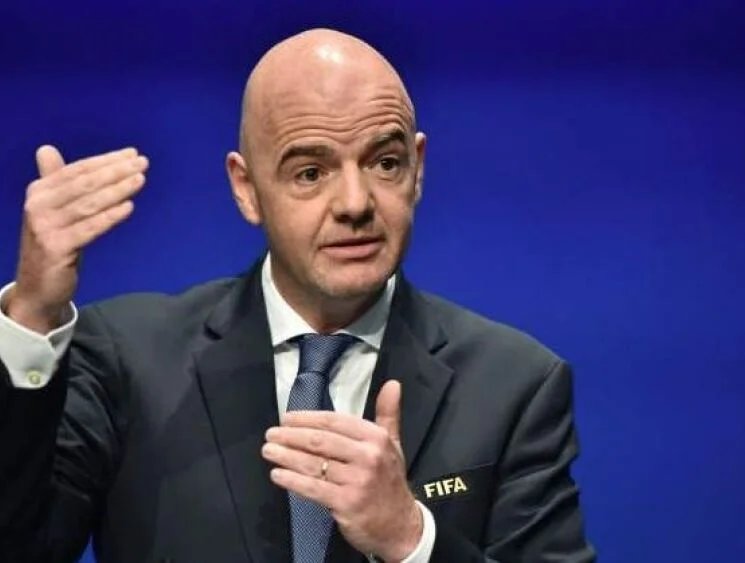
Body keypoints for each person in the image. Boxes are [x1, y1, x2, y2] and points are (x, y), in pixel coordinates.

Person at [0, 29, 595, 563]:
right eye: (311, 172)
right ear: (246, 189)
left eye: (384, 163)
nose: (356, 204)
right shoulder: (128, 359)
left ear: (417, 168)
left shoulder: (514, 385)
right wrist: (30, 314)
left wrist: (412, 541)